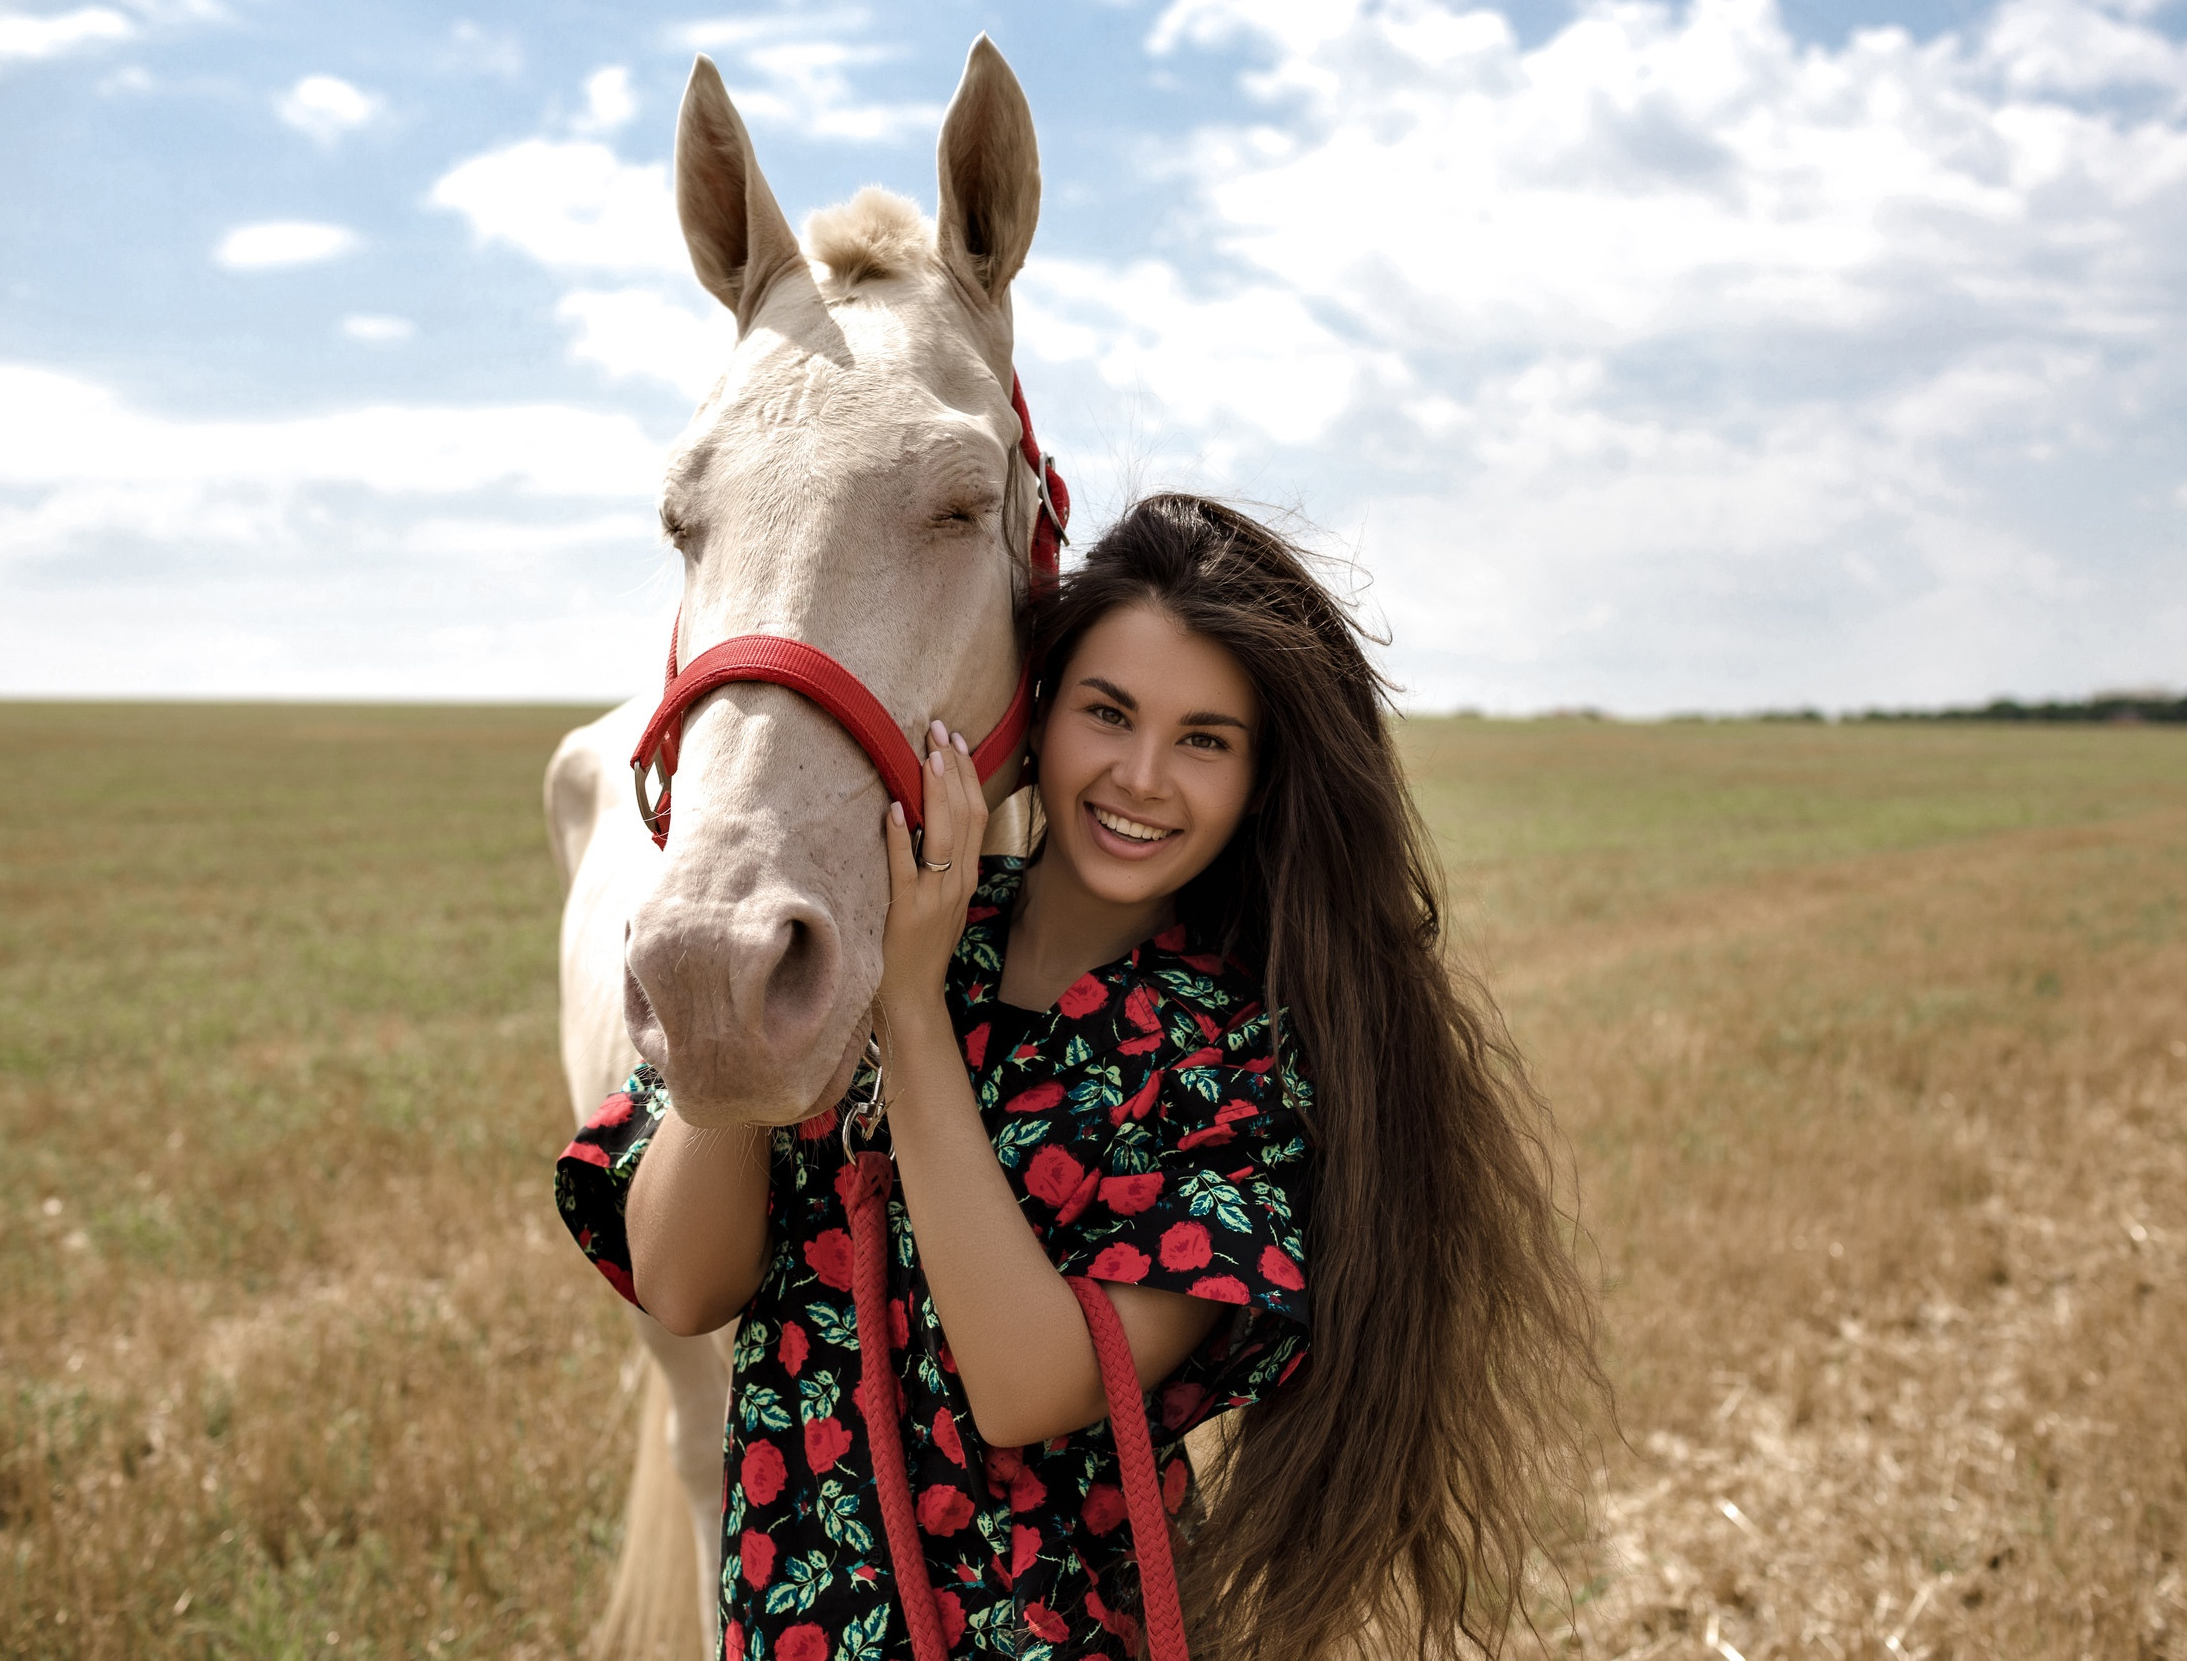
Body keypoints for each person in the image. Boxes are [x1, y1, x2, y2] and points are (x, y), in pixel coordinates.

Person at [556, 494, 1607, 1660]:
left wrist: (907, 1009)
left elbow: (1026, 1385)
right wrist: (775, 978)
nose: (1143, 777)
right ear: (1040, 712)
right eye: (1108, 713)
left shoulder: (1232, 1062)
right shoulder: (868, 946)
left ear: (1260, 778)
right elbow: (681, 1282)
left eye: (1204, 738)